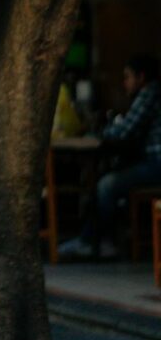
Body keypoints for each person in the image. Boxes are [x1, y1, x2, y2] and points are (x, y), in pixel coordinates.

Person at [59, 54, 161, 260]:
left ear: (141, 77)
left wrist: (97, 134)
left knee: (107, 184)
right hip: (152, 162)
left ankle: (97, 241)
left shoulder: (150, 92)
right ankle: (100, 238)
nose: (124, 83)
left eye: (127, 77)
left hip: (157, 165)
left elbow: (124, 131)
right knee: (112, 174)